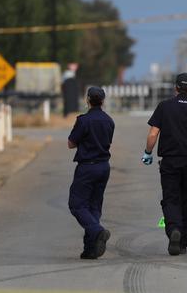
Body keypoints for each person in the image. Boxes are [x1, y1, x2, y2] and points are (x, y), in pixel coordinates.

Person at [142, 73, 187, 256]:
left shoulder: (164, 107)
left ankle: (174, 229)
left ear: (175, 88)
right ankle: (183, 242)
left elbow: (152, 134)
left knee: (171, 198)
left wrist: (148, 152)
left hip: (170, 161)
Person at [67, 86, 115, 259]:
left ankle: (97, 230)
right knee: (94, 206)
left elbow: (71, 143)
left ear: (87, 100)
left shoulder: (83, 121)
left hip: (87, 166)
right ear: (102, 101)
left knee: (77, 204)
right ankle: (90, 249)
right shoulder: (109, 121)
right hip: (104, 166)